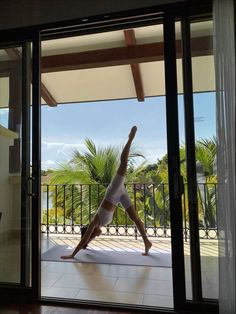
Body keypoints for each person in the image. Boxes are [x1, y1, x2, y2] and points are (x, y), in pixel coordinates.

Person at [61, 126, 152, 259]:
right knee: (135, 219)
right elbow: (86, 241)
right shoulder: (99, 225)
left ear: (91, 232)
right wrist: (87, 242)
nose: (98, 234)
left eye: (94, 234)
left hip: (113, 191)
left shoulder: (95, 222)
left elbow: (84, 239)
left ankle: (130, 139)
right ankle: (147, 242)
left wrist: (72, 255)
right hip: (119, 196)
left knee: (123, 165)